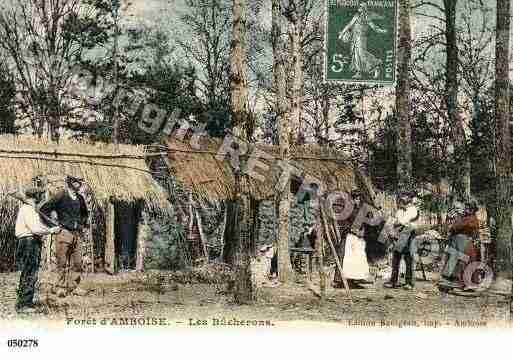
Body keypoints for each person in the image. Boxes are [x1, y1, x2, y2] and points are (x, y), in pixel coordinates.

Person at [39, 176, 89, 297]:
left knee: (77, 262)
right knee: (62, 262)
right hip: (64, 232)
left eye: (79, 181)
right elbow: (44, 209)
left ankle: (74, 286)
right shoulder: (61, 195)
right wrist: (52, 225)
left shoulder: (80, 198)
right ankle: (60, 287)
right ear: (69, 182)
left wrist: (81, 224)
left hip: (77, 234)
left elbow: (84, 214)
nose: (78, 184)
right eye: (75, 181)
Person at [15, 187, 61, 314]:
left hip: (27, 241)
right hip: (29, 242)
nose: (42, 198)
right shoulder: (28, 209)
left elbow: (36, 227)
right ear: (36, 197)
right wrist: (51, 230)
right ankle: (24, 304)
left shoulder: (28, 209)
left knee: (27, 271)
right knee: (30, 272)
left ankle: (24, 301)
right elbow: (35, 229)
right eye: (41, 195)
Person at [338, 2, 387, 79]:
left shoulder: (366, 17)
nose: (359, 8)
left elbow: (373, 26)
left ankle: (375, 65)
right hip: (354, 37)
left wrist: (381, 31)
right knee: (355, 55)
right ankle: (359, 72)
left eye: (361, 7)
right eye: (359, 7)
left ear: (364, 8)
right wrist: (342, 33)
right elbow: (349, 25)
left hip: (361, 37)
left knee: (362, 54)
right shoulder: (356, 16)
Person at [439, 199, 480, 290]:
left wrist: (454, 225)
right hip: (456, 241)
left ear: (473, 210)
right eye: (466, 208)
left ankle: (466, 283)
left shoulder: (472, 219)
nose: (466, 209)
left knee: (460, 261)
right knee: (452, 259)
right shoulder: (463, 217)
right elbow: (451, 227)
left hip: (464, 242)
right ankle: (449, 281)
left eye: (469, 208)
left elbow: (456, 226)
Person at [384, 191, 419, 290]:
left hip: (409, 235)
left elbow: (402, 222)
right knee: (396, 258)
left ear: (409, 199)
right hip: (400, 234)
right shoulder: (399, 211)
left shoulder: (413, 210)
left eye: (406, 197)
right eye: (403, 197)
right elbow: (395, 222)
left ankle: (409, 283)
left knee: (409, 258)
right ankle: (393, 281)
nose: (404, 198)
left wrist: (397, 223)